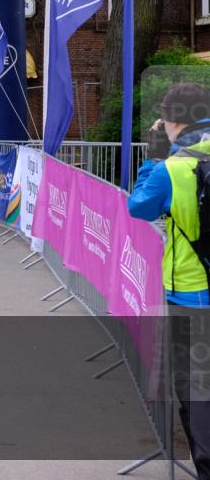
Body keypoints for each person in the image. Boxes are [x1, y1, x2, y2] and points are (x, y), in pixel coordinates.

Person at [127, 82, 210, 479]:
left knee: (198, 390)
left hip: (192, 294)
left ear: (174, 121)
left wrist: (156, 154)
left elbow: (138, 206)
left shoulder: (171, 169)